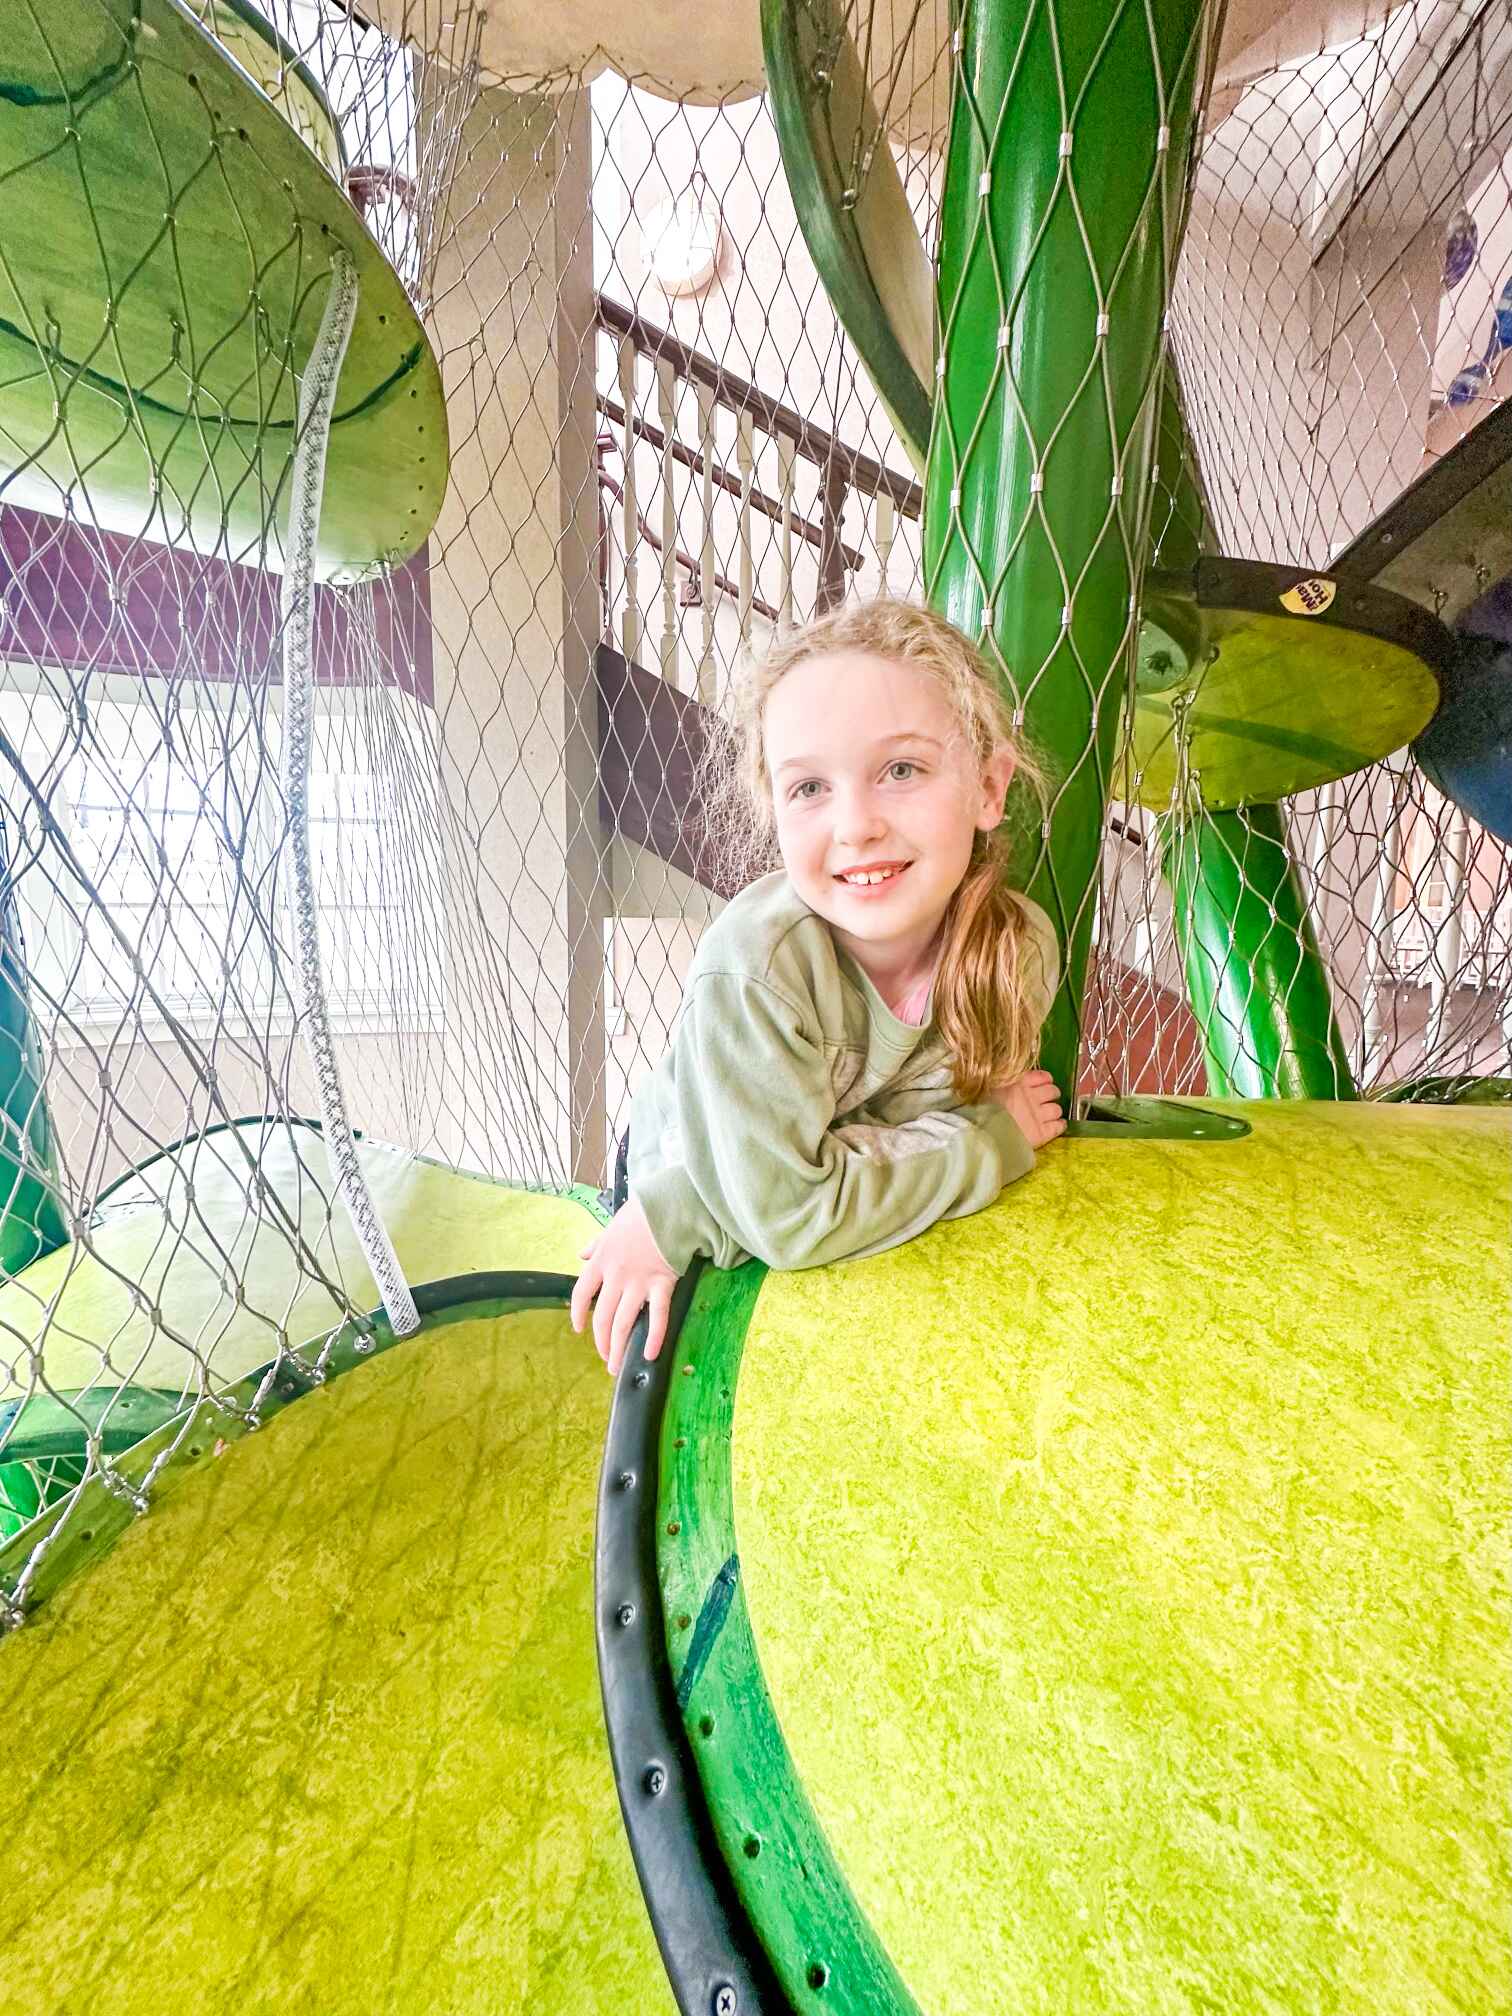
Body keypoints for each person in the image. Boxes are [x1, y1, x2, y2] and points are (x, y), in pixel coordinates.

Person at [571, 596, 1065, 1375]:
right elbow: (791, 1216)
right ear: (774, 808)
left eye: (901, 770)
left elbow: (868, 1154)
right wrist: (991, 1141)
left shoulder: (1017, 950)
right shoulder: (755, 966)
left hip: (773, 1177)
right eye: (809, 788)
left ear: (989, 788)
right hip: (681, 1175)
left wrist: (805, 1182)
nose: (856, 825)